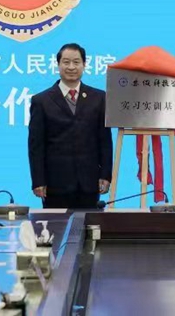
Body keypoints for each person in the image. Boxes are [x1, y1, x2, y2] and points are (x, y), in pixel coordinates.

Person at [28, 43, 113, 209]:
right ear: (58, 65)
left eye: (76, 62)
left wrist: (105, 175)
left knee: (90, 224)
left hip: (89, 182)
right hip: (55, 184)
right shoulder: (41, 100)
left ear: (84, 65)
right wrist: (38, 180)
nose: (71, 67)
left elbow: (105, 141)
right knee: (56, 226)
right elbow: (36, 145)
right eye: (66, 62)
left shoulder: (99, 98)